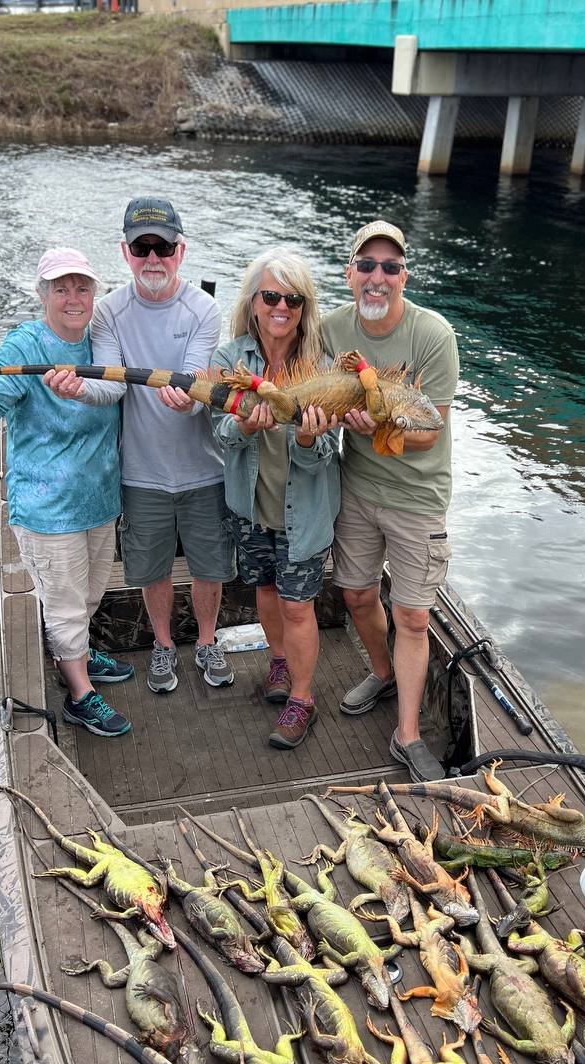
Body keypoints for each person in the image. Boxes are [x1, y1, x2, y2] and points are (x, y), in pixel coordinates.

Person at [0, 248, 132, 738]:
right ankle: (80, 693)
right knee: (63, 602)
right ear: (43, 295)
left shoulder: (102, 340)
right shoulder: (24, 347)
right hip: (47, 507)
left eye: (82, 287)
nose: (73, 298)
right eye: (60, 288)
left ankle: (78, 649)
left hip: (100, 498)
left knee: (90, 591)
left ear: (94, 293)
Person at [53, 198, 235, 696]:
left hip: (204, 470)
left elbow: (197, 384)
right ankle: (161, 645)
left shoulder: (205, 309)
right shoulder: (108, 312)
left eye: (163, 247)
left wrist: (189, 402)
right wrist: (78, 387)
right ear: (125, 252)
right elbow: (110, 385)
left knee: (210, 567)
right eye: (141, 247)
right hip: (140, 474)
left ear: (181, 250)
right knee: (151, 570)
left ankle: (205, 640)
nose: (152, 258)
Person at [321, 220, 459, 782]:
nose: (378, 278)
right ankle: (382, 672)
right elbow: (321, 398)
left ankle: (408, 733)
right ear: (350, 272)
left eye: (391, 267)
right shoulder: (332, 329)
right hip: (357, 487)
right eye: (367, 266)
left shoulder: (433, 335)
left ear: (405, 275)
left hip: (416, 496)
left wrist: (372, 417)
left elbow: (428, 431)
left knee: (413, 614)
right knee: (355, 595)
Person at [212, 249, 339, 750]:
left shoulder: (322, 367)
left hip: (303, 513)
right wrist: (244, 425)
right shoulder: (230, 359)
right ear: (254, 302)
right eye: (271, 296)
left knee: (297, 606)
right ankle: (279, 664)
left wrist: (307, 439)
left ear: (305, 308)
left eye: (293, 298)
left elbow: (329, 450)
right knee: (265, 590)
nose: (281, 306)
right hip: (251, 505)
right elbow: (219, 433)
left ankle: (302, 700)